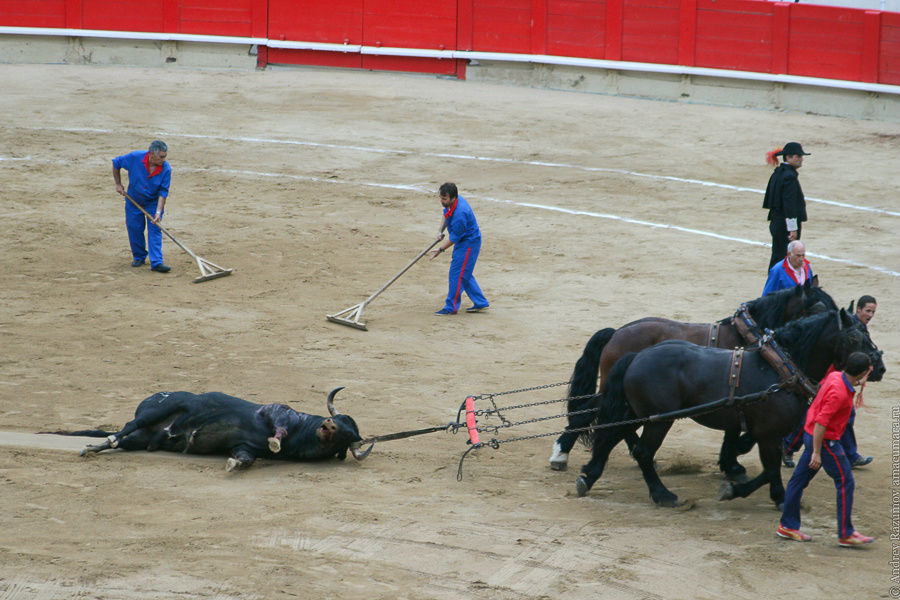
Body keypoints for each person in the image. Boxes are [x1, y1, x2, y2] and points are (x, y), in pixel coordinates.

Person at [777, 351, 874, 547]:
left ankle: (787, 525)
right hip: (825, 442)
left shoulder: (835, 376)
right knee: (845, 482)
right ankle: (846, 533)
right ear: (861, 373)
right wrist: (816, 452)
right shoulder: (839, 394)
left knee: (798, 480)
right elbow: (822, 423)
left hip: (811, 434)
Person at [112, 140, 173, 273]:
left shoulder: (166, 168)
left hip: (152, 202)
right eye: (161, 156)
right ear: (152, 154)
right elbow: (116, 163)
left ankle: (157, 262)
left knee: (155, 228)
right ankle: (139, 256)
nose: (164, 159)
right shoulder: (135, 157)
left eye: (165, 156)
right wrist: (118, 183)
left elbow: (163, 192)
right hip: (134, 200)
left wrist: (158, 212)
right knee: (134, 228)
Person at [428, 182, 489, 315]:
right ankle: (480, 302)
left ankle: (451, 307)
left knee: (456, 274)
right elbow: (446, 214)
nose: (442, 201)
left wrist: (440, 250)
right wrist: (440, 231)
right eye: (441, 198)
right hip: (465, 242)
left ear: (453, 197)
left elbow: (454, 239)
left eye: (444, 199)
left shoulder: (461, 213)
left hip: (468, 243)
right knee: (464, 272)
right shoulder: (453, 203)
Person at [840, 295, 878, 468]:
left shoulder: (859, 326)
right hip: (838, 379)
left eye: (873, 312)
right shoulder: (854, 329)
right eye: (868, 311)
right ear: (859, 310)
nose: (870, 315)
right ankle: (787, 447)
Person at [763, 142, 810, 270]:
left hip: (776, 222)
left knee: (777, 256)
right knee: (783, 259)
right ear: (788, 157)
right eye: (798, 156)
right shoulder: (789, 177)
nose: (801, 159)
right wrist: (792, 229)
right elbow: (789, 205)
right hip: (784, 225)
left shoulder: (778, 173)